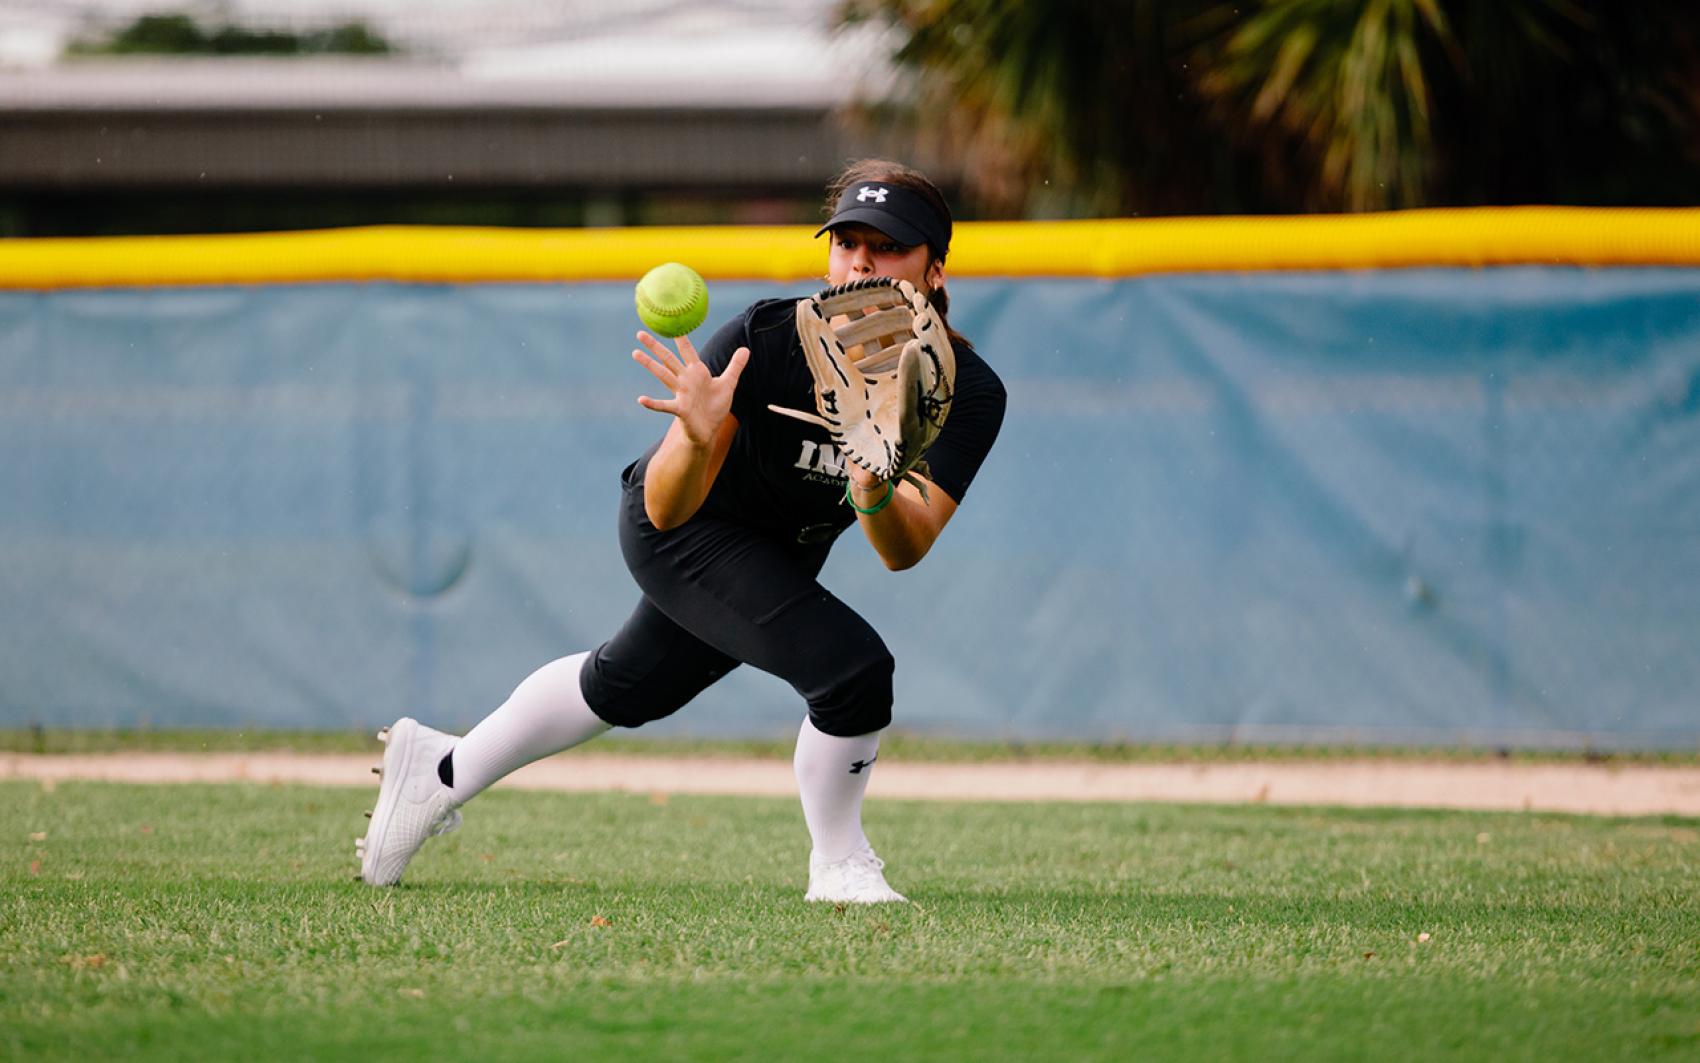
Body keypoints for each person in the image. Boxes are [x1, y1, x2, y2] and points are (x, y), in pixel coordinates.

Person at [357, 159, 1007, 903]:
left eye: (887, 246)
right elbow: (666, 510)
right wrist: (697, 438)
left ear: (934, 269)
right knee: (852, 671)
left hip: (776, 550)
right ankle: (839, 863)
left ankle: (439, 771)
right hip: (682, 524)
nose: (859, 260)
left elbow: (906, 547)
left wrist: (872, 490)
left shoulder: (966, 390)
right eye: (845, 241)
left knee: (627, 685)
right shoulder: (768, 341)